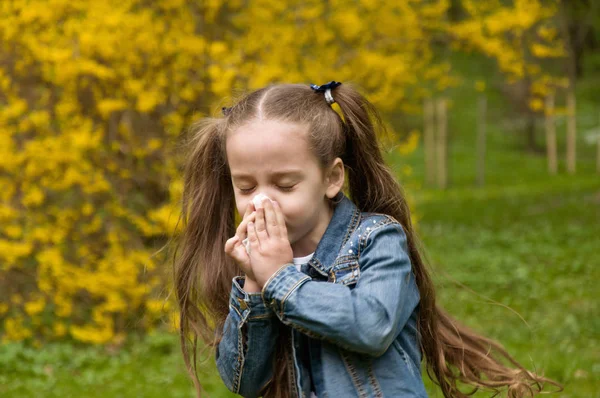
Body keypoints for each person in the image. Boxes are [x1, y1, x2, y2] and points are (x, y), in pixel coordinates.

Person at [173, 82, 560, 397]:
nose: (261, 201)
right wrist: (255, 289)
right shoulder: (256, 263)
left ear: (331, 178)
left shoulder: (376, 240)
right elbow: (244, 381)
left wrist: (279, 279)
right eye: (245, 186)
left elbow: (371, 326)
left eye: (285, 184)